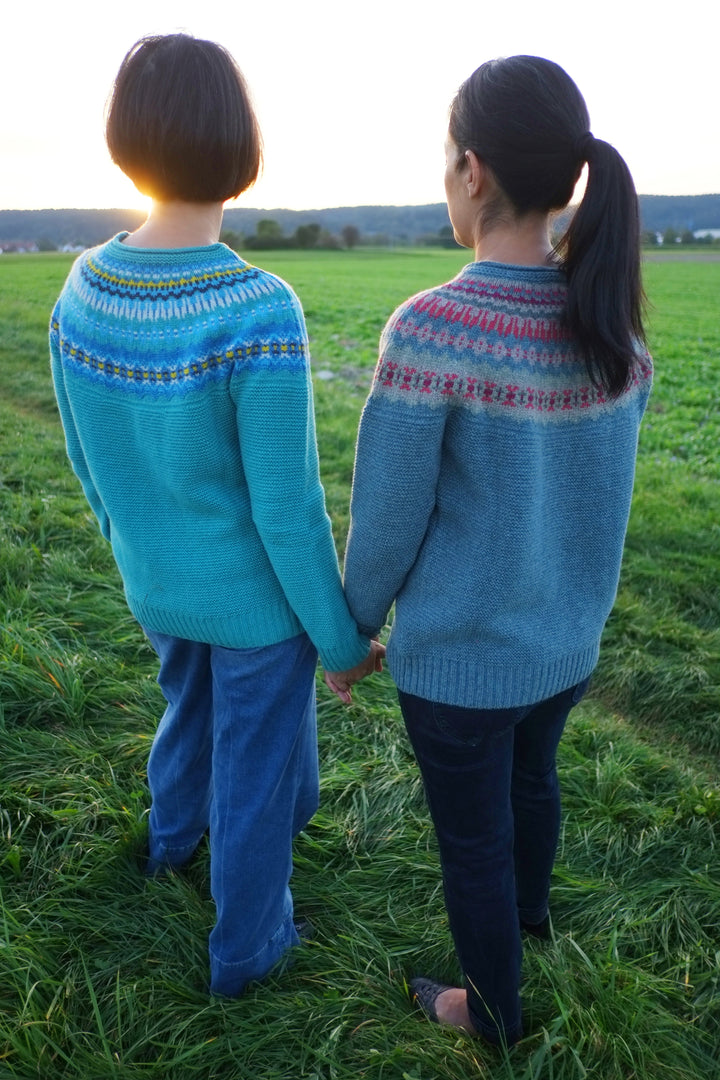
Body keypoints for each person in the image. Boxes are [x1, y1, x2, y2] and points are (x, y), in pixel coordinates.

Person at [49, 33, 383, 998]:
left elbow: (82, 454)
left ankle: (166, 848)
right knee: (260, 776)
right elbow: (286, 506)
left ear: (127, 138)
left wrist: (130, 551)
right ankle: (248, 949)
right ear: (239, 142)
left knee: (184, 716)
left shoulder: (83, 286)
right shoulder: (258, 307)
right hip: (254, 610)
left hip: (156, 580)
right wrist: (340, 640)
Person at [342, 55, 652, 1047]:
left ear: (472, 170)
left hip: (463, 663)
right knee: (534, 783)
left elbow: (386, 522)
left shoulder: (433, 330)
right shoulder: (616, 334)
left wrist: (349, 631)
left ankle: (491, 1011)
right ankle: (529, 925)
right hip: (564, 647)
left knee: (473, 836)